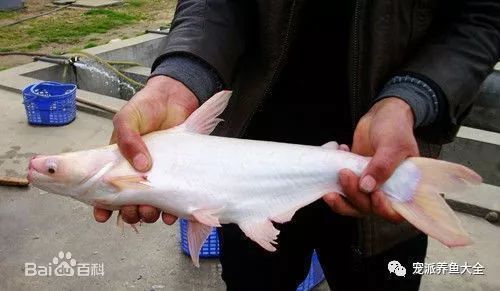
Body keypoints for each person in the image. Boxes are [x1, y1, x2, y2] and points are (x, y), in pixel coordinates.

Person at [93, 1, 500, 290]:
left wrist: (413, 97)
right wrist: (179, 77)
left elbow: (481, 16)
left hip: (385, 162)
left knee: (387, 278)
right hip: (240, 177)